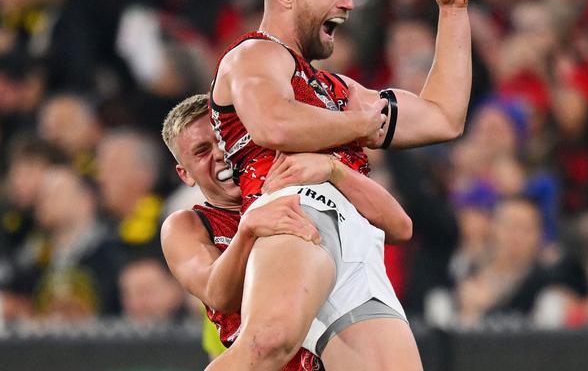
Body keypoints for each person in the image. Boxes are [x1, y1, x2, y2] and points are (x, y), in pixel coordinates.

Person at [209, 0, 471, 370]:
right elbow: (273, 123)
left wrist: (452, 11)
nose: (348, 1)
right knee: (267, 343)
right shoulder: (254, 55)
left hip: (357, 239)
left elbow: (443, 116)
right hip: (294, 216)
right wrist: (360, 125)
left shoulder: (340, 91)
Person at [160, 94, 412, 370]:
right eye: (201, 151)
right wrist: (247, 231)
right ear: (185, 174)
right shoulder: (187, 225)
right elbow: (219, 295)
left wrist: (334, 170)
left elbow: (400, 227)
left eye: (223, 140)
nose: (219, 153)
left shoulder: (298, 177)